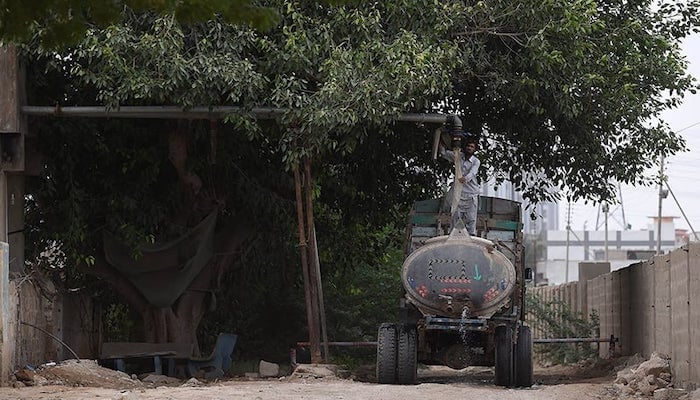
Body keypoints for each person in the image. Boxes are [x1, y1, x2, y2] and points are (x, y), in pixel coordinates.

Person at [439, 134, 481, 235]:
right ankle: (453, 237)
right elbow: (444, 153)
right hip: (459, 193)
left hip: (471, 194)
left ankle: (471, 238)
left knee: (471, 219)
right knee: (455, 218)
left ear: (474, 149)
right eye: (468, 146)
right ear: (464, 147)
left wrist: (465, 178)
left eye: (472, 147)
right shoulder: (458, 156)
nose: (469, 148)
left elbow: (473, 172)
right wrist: (440, 140)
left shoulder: (476, 161)